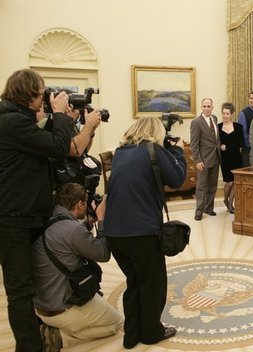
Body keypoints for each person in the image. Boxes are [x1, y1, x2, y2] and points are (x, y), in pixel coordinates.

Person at [0, 68, 73, 351]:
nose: (44, 97)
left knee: (33, 282)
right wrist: (61, 116)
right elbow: (57, 147)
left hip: (25, 215)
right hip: (12, 220)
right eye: (41, 93)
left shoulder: (18, 120)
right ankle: (29, 347)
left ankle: (40, 337)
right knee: (20, 291)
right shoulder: (12, 123)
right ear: (28, 95)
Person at [104, 116, 186, 349]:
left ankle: (132, 335)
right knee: (153, 285)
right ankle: (150, 333)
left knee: (135, 283)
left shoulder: (121, 152)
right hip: (141, 232)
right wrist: (178, 152)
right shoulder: (153, 150)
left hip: (115, 234)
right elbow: (178, 179)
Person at [32, 183, 123, 350]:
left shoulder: (50, 217)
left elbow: (70, 239)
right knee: (116, 323)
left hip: (41, 305)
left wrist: (88, 223)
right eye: (86, 202)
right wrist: (102, 219)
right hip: (61, 309)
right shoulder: (73, 230)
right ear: (80, 204)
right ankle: (58, 337)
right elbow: (103, 254)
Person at [190, 98, 221, 221]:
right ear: (201, 107)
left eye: (209, 106)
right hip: (203, 159)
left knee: (212, 185)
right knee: (201, 186)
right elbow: (194, 143)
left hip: (215, 158)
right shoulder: (196, 122)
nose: (207, 108)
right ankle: (199, 212)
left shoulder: (215, 119)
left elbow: (216, 139)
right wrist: (198, 160)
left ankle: (209, 208)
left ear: (212, 107)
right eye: (205, 106)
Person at [218, 102, 243, 213]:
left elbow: (240, 143)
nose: (225, 116)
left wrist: (226, 146)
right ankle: (225, 199)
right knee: (229, 182)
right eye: (223, 113)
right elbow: (216, 143)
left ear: (231, 114)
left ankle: (230, 203)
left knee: (236, 182)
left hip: (236, 158)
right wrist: (221, 147)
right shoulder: (218, 127)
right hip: (224, 159)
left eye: (227, 113)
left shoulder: (238, 127)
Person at [237, 90, 253, 167]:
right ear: (248, 99)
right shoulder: (243, 113)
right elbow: (243, 132)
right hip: (248, 148)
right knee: (248, 171)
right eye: (251, 98)